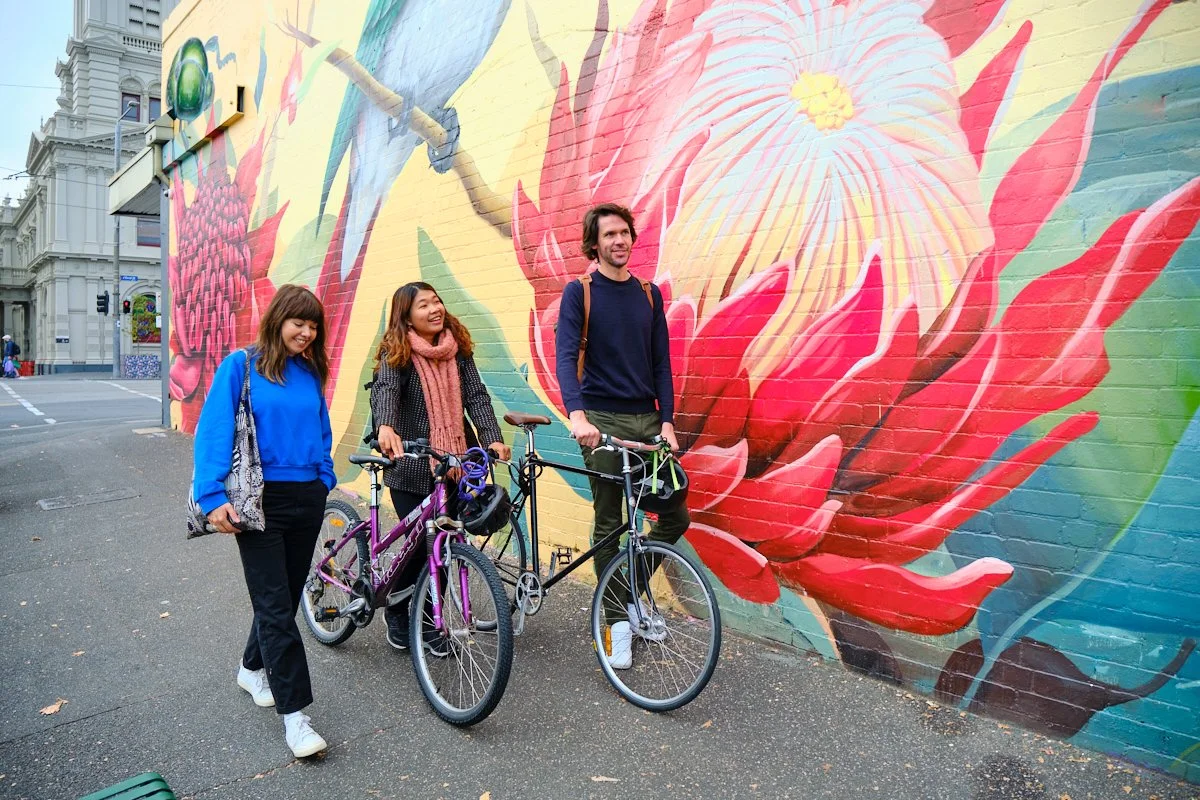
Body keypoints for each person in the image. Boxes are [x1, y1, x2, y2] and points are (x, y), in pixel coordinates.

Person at [192, 284, 336, 759]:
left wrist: (325, 475)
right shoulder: (242, 365)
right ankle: (296, 720)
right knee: (276, 608)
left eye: (313, 324)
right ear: (278, 320)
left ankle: (250, 669)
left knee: (286, 596)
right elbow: (213, 427)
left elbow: (320, 426)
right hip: (257, 500)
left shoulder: (311, 371)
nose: (307, 331)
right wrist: (212, 496)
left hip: (306, 496)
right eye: (299, 322)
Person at [554, 202, 688, 670]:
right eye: (609, 234)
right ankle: (616, 623)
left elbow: (661, 365)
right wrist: (577, 415)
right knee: (611, 523)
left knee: (674, 516)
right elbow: (566, 356)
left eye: (625, 233)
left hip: (648, 423)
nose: (619, 241)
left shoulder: (649, 296)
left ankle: (625, 591)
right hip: (602, 422)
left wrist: (667, 422)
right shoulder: (580, 292)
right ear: (595, 244)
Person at [369, 281, 511, 651]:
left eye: (437, 302)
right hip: (413, 466)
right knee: (417, 551)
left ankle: (430, 622)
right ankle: (398, 613)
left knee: (444, 548)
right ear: (407, 317)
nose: (434, 309)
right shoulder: (396, 351)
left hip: (455, 465)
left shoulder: (457, 349)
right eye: (423, 305)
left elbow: (476, 395)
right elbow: (386, 389)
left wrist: (491, 435)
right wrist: (385, 426)